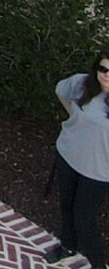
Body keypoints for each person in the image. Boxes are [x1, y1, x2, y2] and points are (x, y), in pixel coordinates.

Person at [50, 51, 109, 266]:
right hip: (68, 155)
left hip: (98, 172)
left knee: (84, 219)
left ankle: (99, 264)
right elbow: (60, 90)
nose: (107, 75)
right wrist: (73, 116)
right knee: (66, 207)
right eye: (103, 69)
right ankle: (68, 247)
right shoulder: (82, 83)